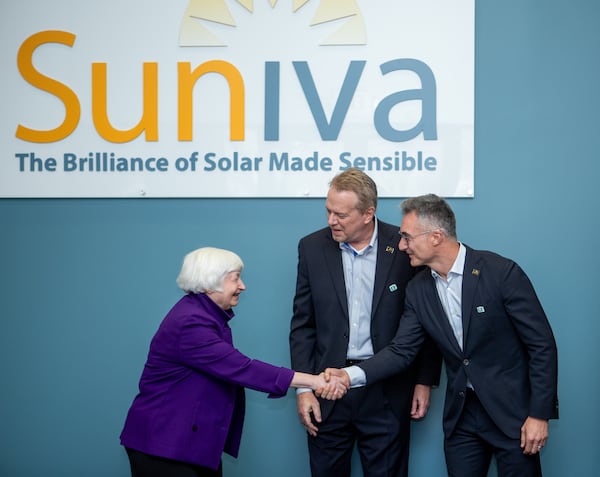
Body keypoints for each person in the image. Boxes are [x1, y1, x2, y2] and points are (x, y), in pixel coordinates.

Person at [323, 193, 559, 477]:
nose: (401, 245)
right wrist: (349, 376)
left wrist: (539, 414)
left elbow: (541, 346)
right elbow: (401, 350)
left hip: (514, 416)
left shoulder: (500, 273)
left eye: (407, 237)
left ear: (435, 237)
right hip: (462, 420)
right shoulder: (418, 289)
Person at [120, 247, 347, 477]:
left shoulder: (204, 315)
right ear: (210, 284)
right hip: (164, 444)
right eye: (235, 279)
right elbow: (242, 368)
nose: (242, 286)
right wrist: (315, 381)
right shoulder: (191, 323)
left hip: (186, 443)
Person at [289, 168, 442, 477]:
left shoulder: (403, 247)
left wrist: (424, 380)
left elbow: (426, 320)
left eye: (341, 214)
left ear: (368, 213)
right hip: (327, 389)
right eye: (329, 210)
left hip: (387, 387)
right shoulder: (311, 247)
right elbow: (303, 326)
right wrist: (304, 388)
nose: (331, 220)